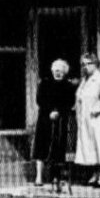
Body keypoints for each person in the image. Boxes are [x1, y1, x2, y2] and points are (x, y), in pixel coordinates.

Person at [32, 58, 76, 187]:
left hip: (60, 120)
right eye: (56, 70)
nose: (58, 73)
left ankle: (56, 177)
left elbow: (70, 102)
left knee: (58, 148)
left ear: (65, 72)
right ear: (52, 71)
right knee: (41, 147)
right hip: (45, 118)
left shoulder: (68, 86)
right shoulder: (44, 84)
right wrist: (49, 111)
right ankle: (39, 176)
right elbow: (40, 100)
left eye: (61, 71)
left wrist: (59, 112)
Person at [74, 52, 100, 187]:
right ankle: (94, 174)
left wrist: (95, 109)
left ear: (96, 64)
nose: (85, 67)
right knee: (90, 147)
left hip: (99, 120)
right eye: (83, 64)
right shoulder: (84, 81)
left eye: (88, 63)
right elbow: (80, 97)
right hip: (85, 120)